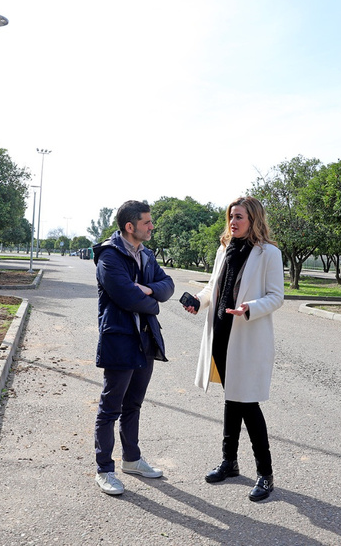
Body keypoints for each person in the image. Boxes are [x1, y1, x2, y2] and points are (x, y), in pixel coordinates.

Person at [183, 196, 284, 502]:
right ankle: (230, 463)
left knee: (248, 405)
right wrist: (197, 302)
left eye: (239, 217)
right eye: (231, 217)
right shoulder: (224, 249)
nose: (233, 222)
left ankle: (265, 474)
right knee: (232, 400)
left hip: (248, 337)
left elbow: (276, 296)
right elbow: (212, 287)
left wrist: (249, 307)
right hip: (222, 336)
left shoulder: (268, 253)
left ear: (253, 219)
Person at [92, 200, 174, 495]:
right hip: (120, 340)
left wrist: (150, 290)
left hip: (145, 340)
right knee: (110, 408)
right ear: (130, 227)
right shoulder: (109, 257)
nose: (152, 226)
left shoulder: (148, 255)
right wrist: (154, 304)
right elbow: (127, 297)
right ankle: (104, 469)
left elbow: (168, 285)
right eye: (147, 222)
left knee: (134, 405)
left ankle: (132, 459)